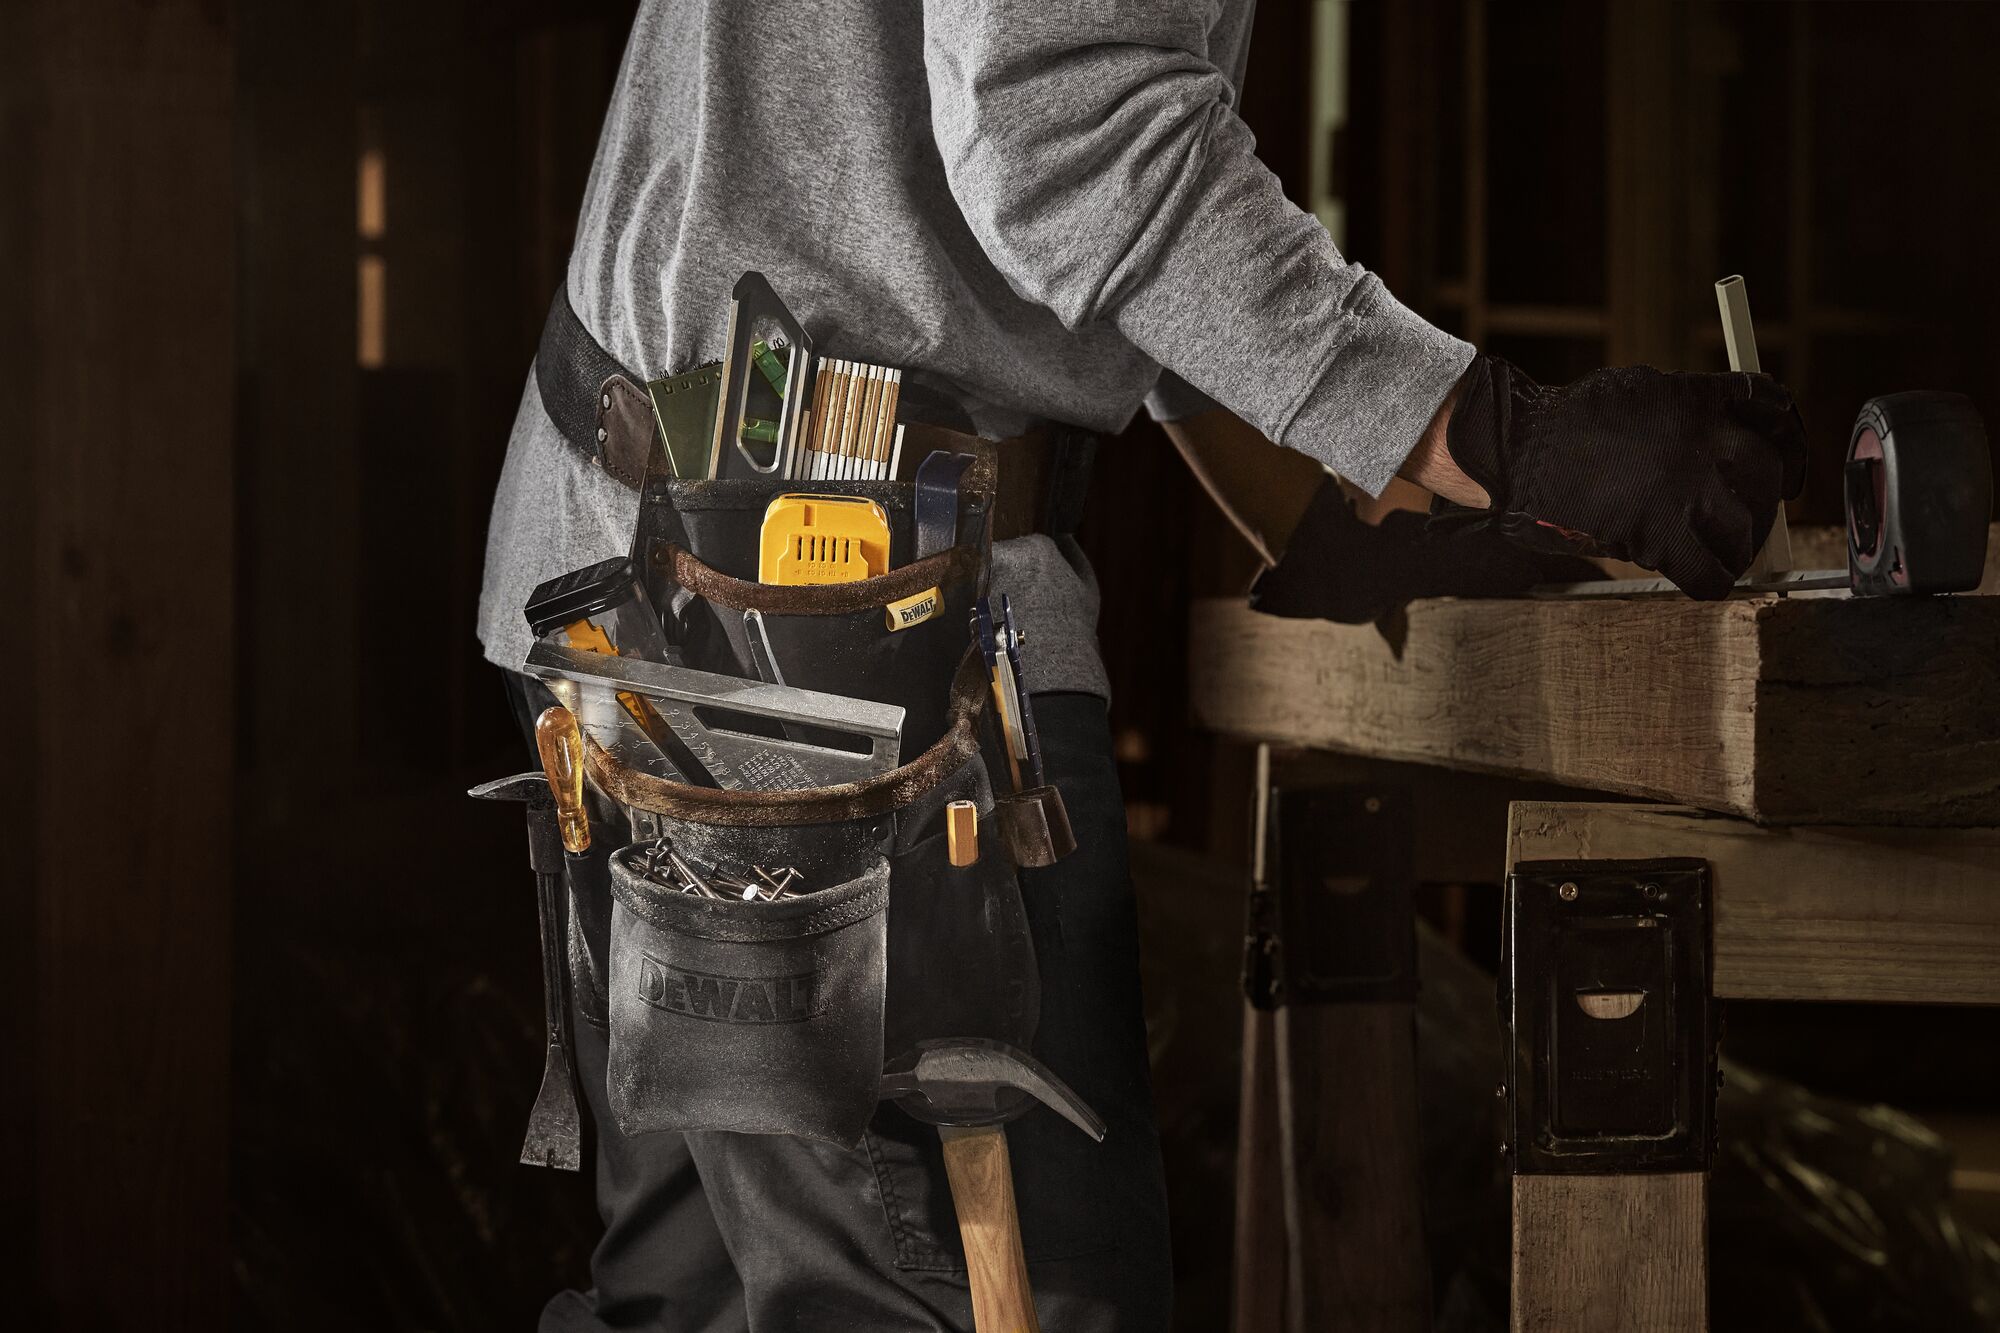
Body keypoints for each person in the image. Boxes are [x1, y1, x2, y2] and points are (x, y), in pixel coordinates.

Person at [476, 3, 1805, 1328]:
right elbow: (1059, 122)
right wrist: (1492, 433)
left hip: (643, 563)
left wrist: (1329, 503)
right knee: (987, 1298)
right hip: (832, 626)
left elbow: (1046, 143)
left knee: (704, 1300)